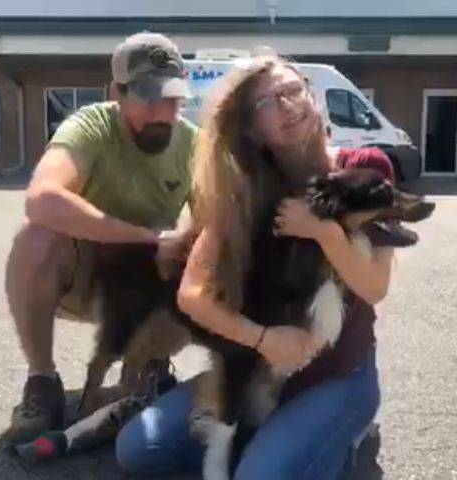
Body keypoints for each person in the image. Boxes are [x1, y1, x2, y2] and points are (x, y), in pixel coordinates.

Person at [116, 56, 404, 479]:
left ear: (312, 94)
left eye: (293, 89)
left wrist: (322, 230)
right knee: (139, 450)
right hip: (261, 367)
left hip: (338, 372)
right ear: (252, 128)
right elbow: (192, 294)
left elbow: (375, 287)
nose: (287, 104)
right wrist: (263, 339)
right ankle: (279, 442)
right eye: (268, 102)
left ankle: (340, 439)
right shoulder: (244, 188)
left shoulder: (365, 168)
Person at [4, 32, 198, 443]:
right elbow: (42, 198)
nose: (164, 112)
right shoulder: (90, 126)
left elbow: (217, 223)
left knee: (202, 258)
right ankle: (42, 381)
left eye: (173, 99)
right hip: (85, 281)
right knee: (35, 240)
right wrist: (145, 238)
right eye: (149, 98)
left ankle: (147, 365)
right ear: (117, 93)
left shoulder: (192, 144)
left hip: (146, 287)